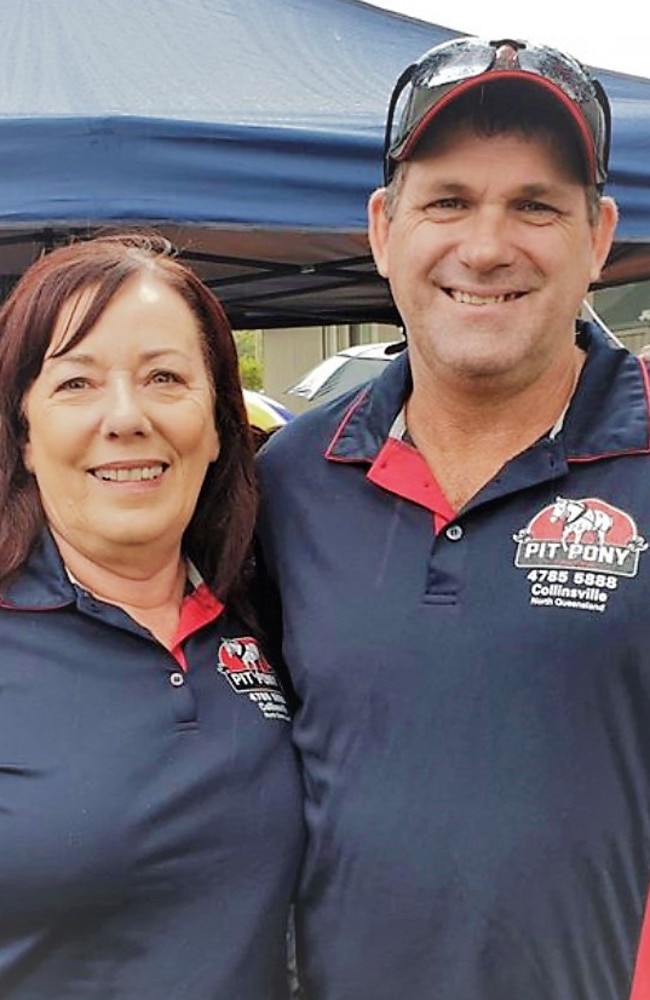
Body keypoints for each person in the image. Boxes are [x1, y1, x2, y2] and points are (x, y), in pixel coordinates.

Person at [256, 36, 650, 1000]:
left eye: (534, 205)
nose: (485, 245)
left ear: (598, 237)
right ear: (385, 228)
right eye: (448, 201)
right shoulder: (288, 481)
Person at [0, 233, 303, 999]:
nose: (126, 417)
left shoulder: (272, 614)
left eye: (165, 377)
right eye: (77, 384)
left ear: (215, 425)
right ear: (26, 435)